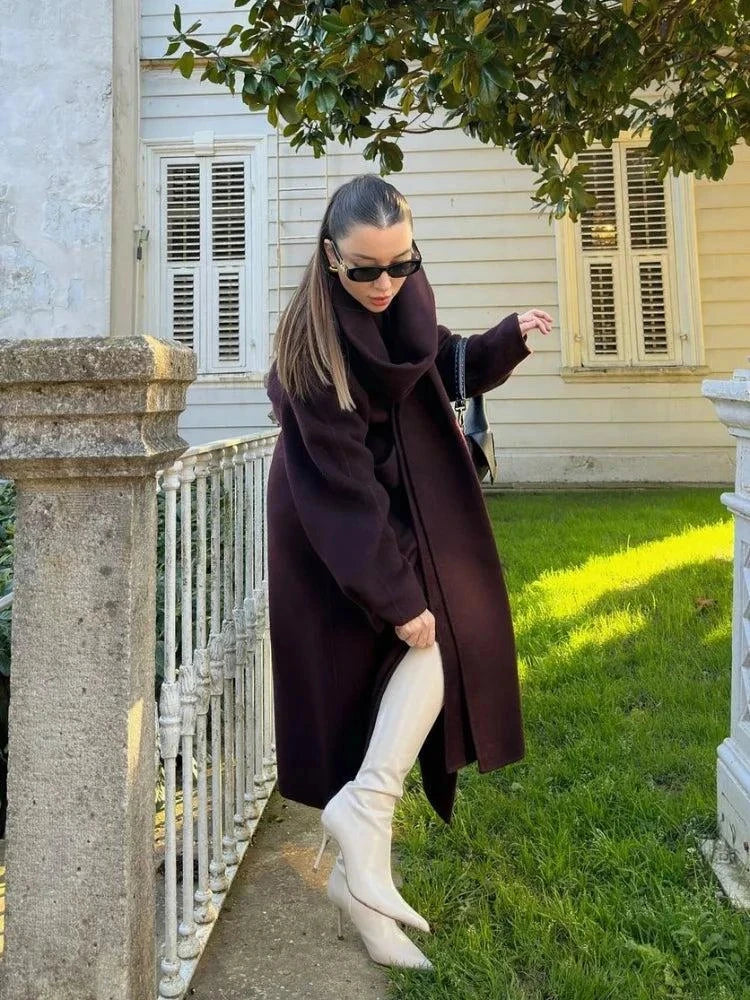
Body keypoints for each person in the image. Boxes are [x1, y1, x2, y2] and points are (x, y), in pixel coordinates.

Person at [264, 174, 551, 970]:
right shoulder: (310, 352)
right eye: (365, 270)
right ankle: (365, 828)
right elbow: (341, 494)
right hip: (335, 529)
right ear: (330, 258)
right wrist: (393, 595)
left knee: (447, 639)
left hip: (405, 506)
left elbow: (439, 363)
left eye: (401, 263)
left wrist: (506, 340)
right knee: (415, 649)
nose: (386, 284)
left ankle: (364, 858)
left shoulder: (402, 299)